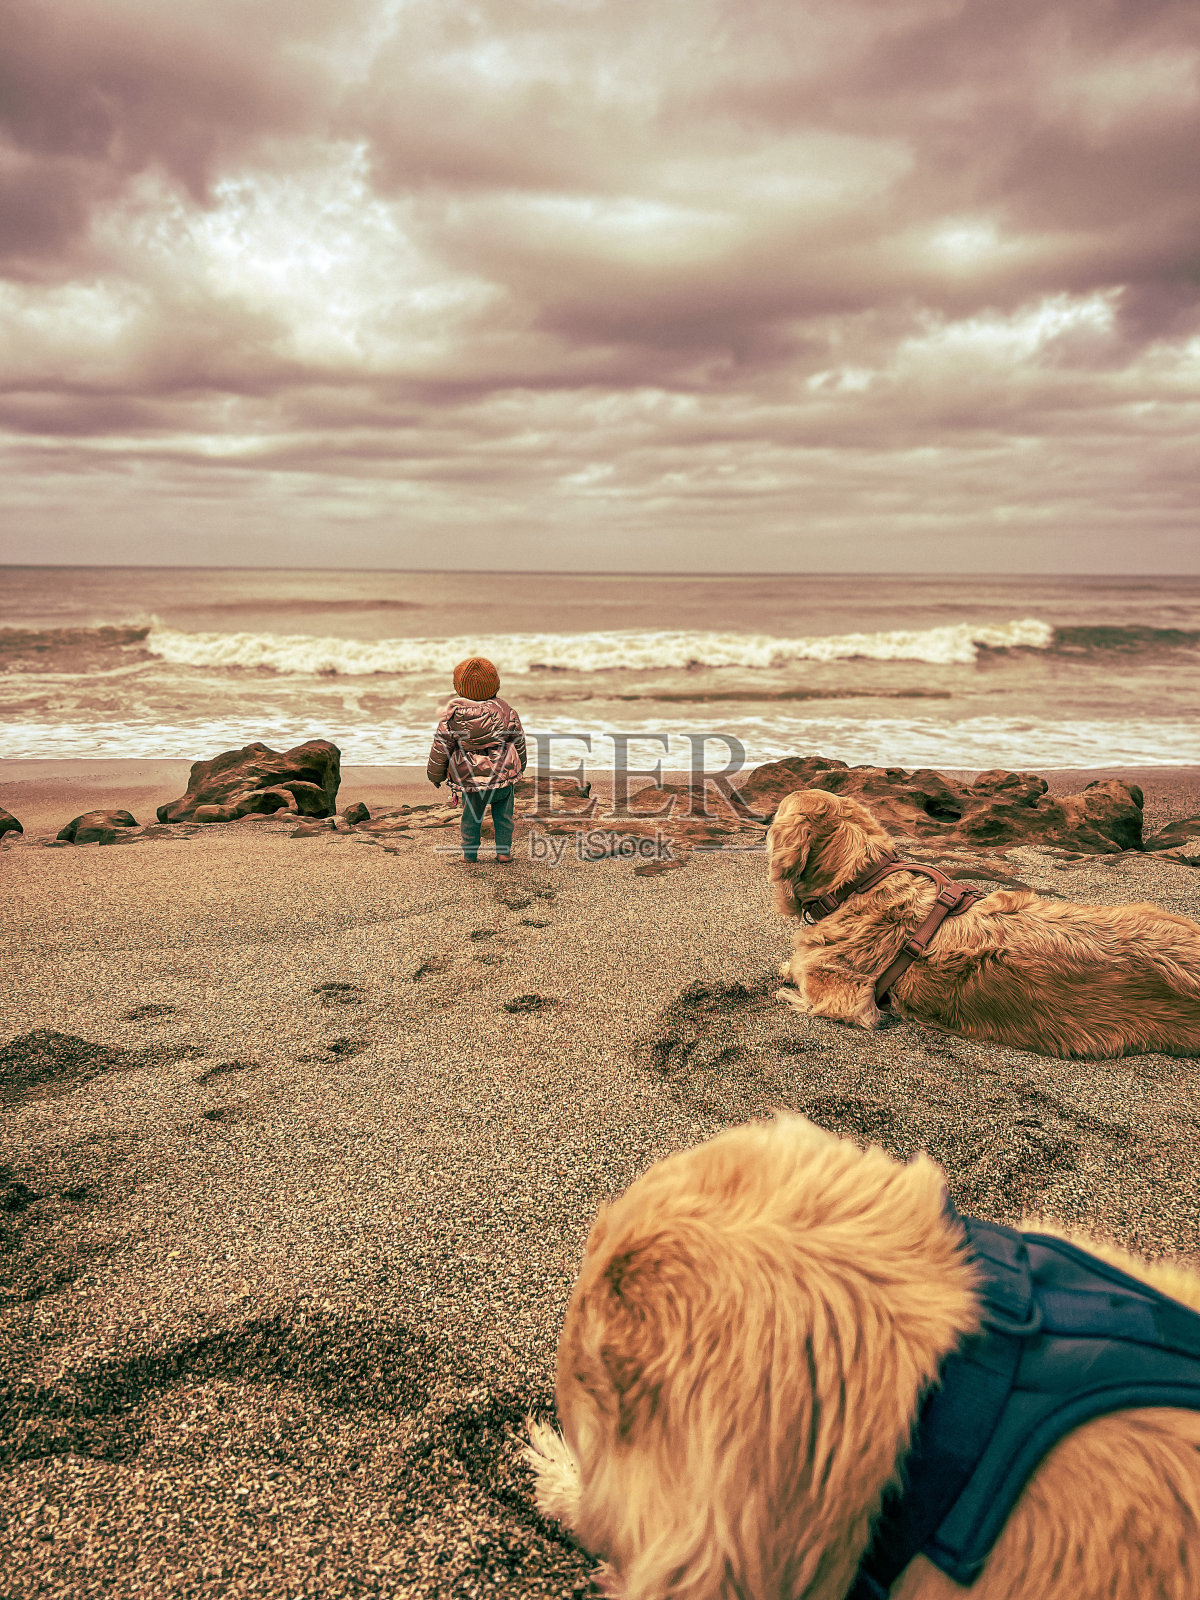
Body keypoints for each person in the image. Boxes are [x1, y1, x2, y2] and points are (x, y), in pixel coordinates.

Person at [426, 657, 527, 864]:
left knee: (471, 818)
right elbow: (519, 743)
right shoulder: (507, 712)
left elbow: (440, 749)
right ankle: (503, 852)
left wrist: (435, 776)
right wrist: (520, 766)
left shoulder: (451, 718)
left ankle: (470, 855)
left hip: (471, 780)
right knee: (504, 817)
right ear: (495, 684)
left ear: (459, 688)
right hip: (502, 776)